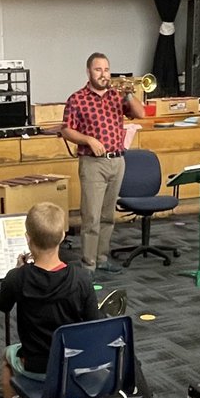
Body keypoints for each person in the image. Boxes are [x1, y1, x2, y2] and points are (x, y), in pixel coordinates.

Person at [0, 202, 99, 398]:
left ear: (27, 238)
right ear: (63, 235)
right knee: (72, 350)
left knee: (8, 359)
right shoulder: (82, 278)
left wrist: (19, 272)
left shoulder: (18, 278)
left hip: (34, 366)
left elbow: (2, 304)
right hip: (73, 369)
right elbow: (94, 325)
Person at [62, 53, 145, 275]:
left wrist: (128, 95)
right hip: (92, 163)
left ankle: (101, 257)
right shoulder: (77, 98)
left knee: (108, 216)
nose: (103, 74)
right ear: (89, 72)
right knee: (91, 216)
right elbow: (67, 130)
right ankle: (88, 264)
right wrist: (88, 139)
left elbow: (141, 114)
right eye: (98, 69)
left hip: (117, 161)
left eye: (107, 70)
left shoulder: (117, 96)